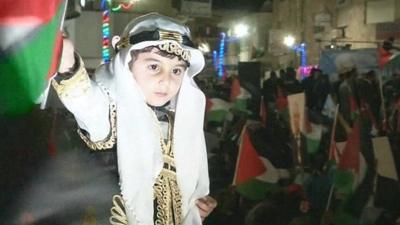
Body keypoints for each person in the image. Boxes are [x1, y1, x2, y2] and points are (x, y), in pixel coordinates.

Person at [53, 13, 216, 225]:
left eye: (176, 70)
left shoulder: (179, 123)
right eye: (154, 66)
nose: (165, 80)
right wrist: (68, 68)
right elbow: (86, 102)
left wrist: (195, 205)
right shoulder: (113, 112)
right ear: (127, 65)